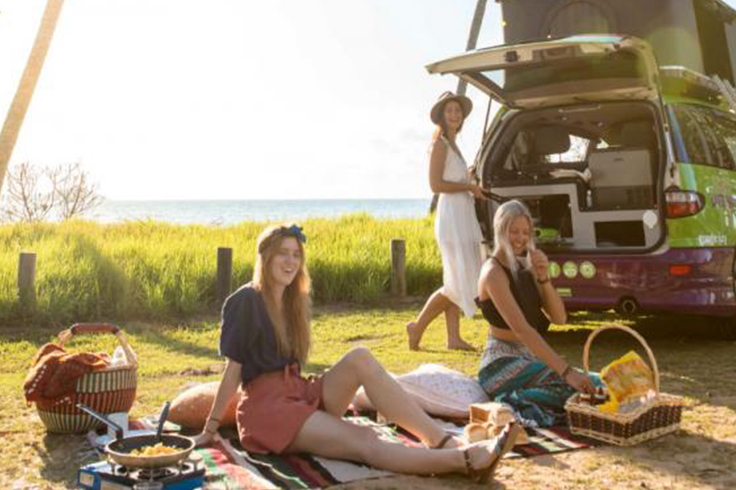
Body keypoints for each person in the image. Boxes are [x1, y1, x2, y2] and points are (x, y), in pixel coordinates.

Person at [194, 224, 520, 483]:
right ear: (265, 257)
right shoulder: (245, 301)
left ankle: (443, 441)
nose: (291, 261)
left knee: (360, 357)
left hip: (298, 392)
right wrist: (210, 428)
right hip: (268, 412)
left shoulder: (292, 302)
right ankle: (464, 461)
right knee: (363, 439)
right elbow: (233, 371)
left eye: (296, 254)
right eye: (283, 253)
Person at [476, 200, 598, 427]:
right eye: (514, 231)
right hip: (499, 366)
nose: (520, 238)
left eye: (525, 232)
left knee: (598, 385)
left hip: (528, 360)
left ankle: (525, 405)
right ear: (500, 230)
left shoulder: (525, 268)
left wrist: (543, 277)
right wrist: (567, 372)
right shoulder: (493, 272)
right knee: (576, 386)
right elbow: (522, 330)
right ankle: (510, 403)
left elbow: (559, 318)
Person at [407, 91, 487, 351]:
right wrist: (467, 187)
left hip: (461, 212)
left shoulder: (454, 144)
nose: (455, 114)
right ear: (442, 115)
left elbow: (453, 177)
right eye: (450, 110)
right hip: (452, 215)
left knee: (458, 275)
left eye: (458, 111)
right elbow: (435, 184)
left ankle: (453, 338)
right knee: (455, 278)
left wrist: (469, 178)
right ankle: (417, 326)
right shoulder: (440, 143)